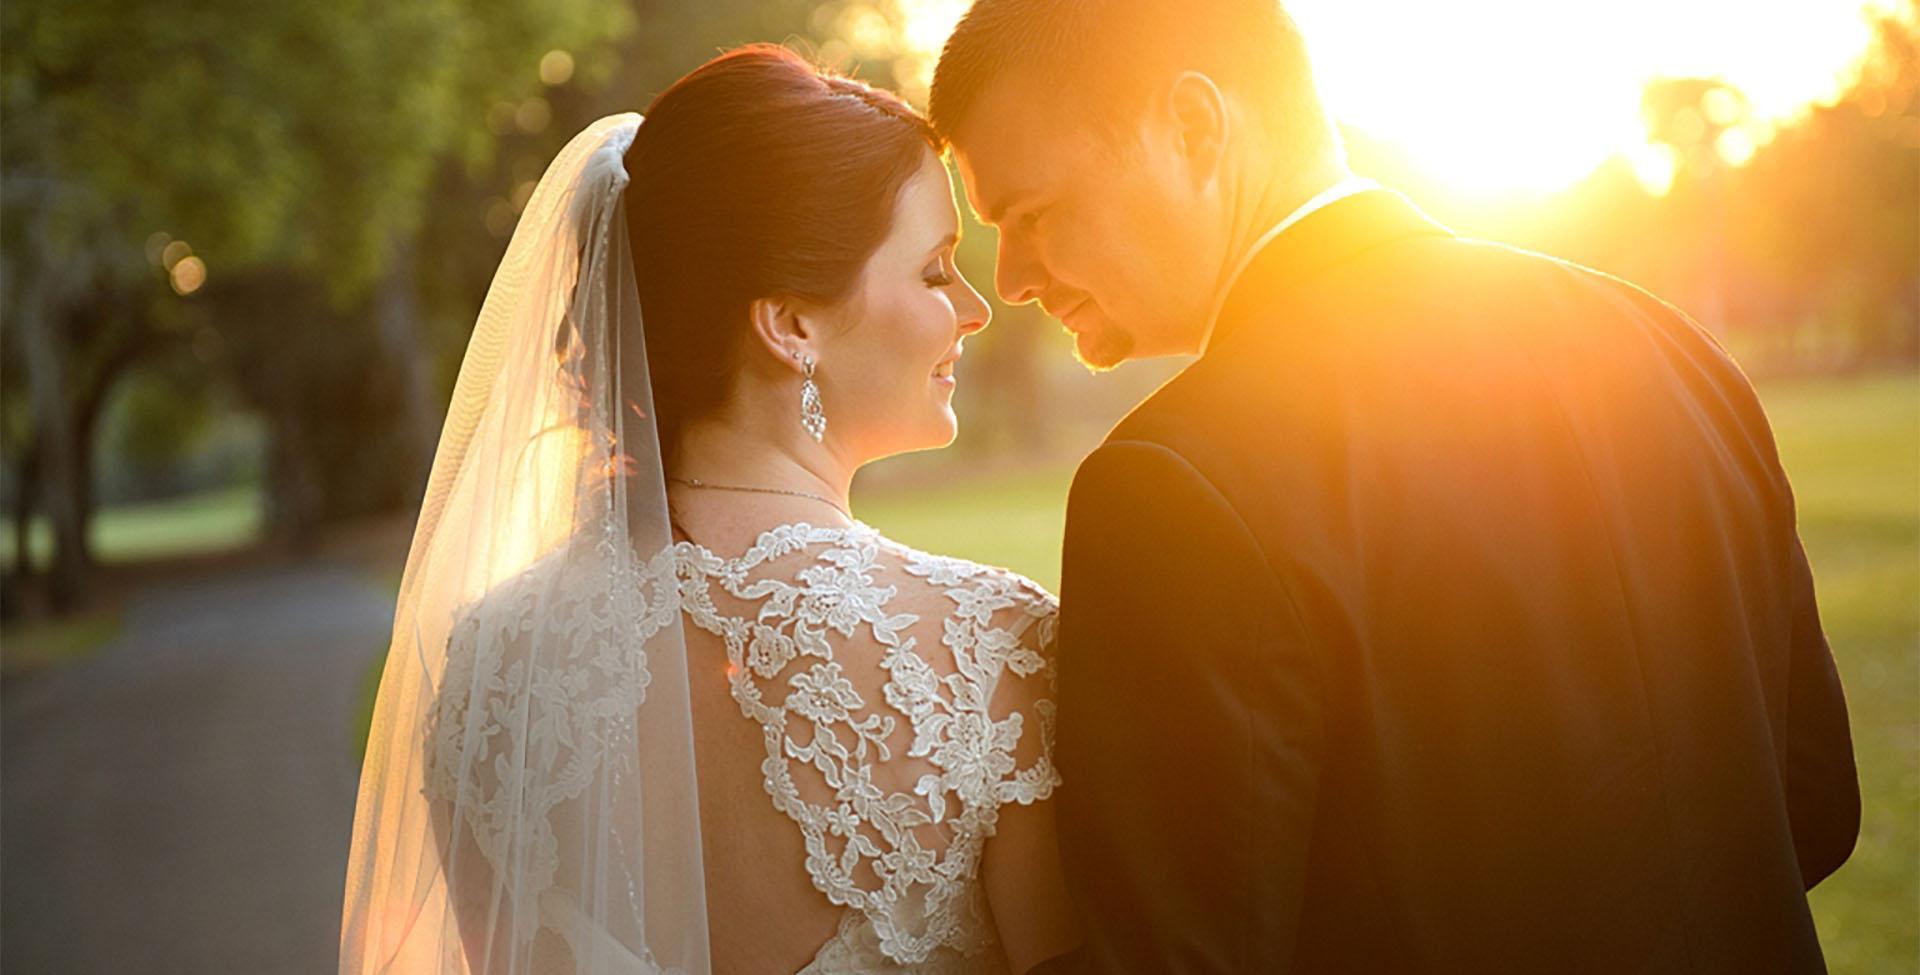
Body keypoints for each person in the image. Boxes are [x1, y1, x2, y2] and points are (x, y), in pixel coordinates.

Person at [929, 1, 1861, 971]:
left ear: (1195, 128)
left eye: (1033, 216)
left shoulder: (1175, 477)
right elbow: (1816, 806)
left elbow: (1180, 953)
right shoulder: (1675, 353)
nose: (1018, 280)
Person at [340, 45, 1077, 975]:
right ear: (791, 325)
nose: (974, 308)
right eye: (935, 271)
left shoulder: (494, 673)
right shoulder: (990, 647)